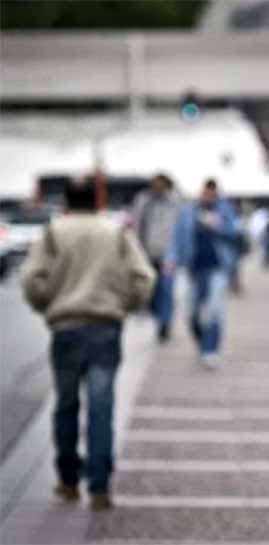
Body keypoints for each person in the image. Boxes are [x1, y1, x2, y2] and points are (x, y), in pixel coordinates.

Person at [21, 177, 155, 510]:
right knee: (102, 406)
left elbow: (31, 279)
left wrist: (47, 305)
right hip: (105, 326)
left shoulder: (54, 232)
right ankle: (99, 484)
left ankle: (68, 479)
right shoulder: (115, 232)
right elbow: (144, 277)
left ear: (66, 201)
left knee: (66, 403)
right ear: (97, 200)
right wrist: (125, 305)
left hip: (66, 326)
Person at [170, 179, 239, 368]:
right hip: (193, 267)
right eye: (206, 192)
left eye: (212, 193)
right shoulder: (189, 211)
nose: (208, 196)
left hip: (217, 267)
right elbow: (177, 237)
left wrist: (218, 226)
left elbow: (235, 234)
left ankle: (210, 349)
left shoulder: (224, 210)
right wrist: (172, 258)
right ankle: (202, 342)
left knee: (213, 310)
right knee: (191, 314)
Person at [131, 173, 180, 342]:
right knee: (150, 289)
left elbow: (180, 228)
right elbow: (136, 225)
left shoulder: (175, 202)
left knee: (166, 290)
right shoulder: (143, 200)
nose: (157, 187)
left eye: (160, 184)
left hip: (168, 254)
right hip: (146, 252)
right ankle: (156, 314)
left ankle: (164, 324)